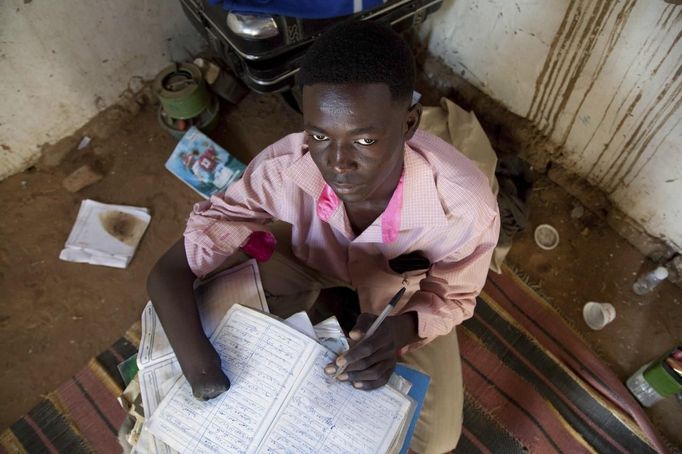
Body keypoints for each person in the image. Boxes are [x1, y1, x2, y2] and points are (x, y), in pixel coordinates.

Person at [147, 21, 499, 454]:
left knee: (437, 440)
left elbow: (453, 295)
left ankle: (348, 314)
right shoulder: (287, 167)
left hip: (399, 295)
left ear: (408, 124)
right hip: (311, 258)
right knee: (216, 304)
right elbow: (172, 269)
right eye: (319, 135)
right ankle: (328, 302)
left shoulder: (463, 206)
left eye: (365, 139)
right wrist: (201, 369)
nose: (337, 163)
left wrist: (400, 332)